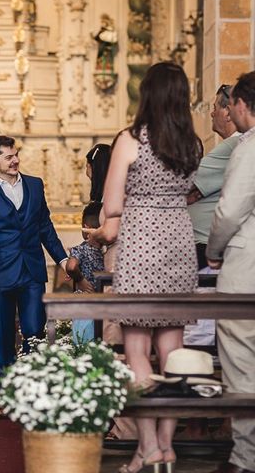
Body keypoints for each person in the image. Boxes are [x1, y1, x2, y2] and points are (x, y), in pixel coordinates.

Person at [88, 62, 202, 473]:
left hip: (140, 246)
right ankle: (164, 448)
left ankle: (149, 444)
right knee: (172, 352)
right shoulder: (192, 143)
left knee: (136, 350)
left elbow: (113, 204)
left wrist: (105, 224)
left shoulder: (131, 139)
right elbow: (189, 192)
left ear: (147, 95)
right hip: (179, 245)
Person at [0, 135, 68, 385]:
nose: (16, 161)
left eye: (16, 154)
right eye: (9, 157)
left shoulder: (35, 185)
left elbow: (45, 226)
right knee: (3, 338)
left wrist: (63, 260)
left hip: (31, 272)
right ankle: (7, 395)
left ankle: (33, 393)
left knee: (34, 333)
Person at [206, 72, 255, 473]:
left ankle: (245, 458)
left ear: (242, 105)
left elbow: (230, 210)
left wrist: (215, 252)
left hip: (247, 269)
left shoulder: (248, 146)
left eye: (232, 104)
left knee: (241, 361)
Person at [184, 84, 240, 349]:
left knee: (199, 330)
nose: (211, 114)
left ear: (229, 111)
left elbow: (187, 189)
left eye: (216, 107)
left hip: (208, 250)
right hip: (207, 247)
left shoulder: (232, 146)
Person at [66, 201, 104, 344]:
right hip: (104, 301)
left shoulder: (80, 249)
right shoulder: (107, 250)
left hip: (84, 300)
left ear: (86, 228)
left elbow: (71, 266)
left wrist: (80, 279)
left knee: (82, 342)